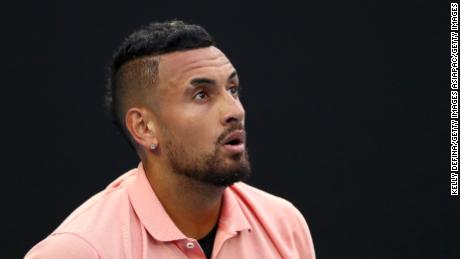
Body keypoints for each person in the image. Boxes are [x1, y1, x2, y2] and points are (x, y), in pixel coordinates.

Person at [25, 20, 316, 259]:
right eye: (202, 95)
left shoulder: (283, 226)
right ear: (144, 128)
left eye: (233, 89)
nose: (235, 111)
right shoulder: (79, 250)